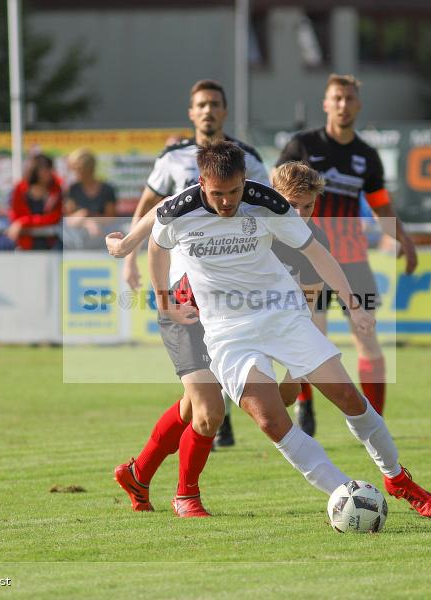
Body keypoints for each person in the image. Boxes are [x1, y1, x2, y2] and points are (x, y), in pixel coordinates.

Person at [149, 142, 431, 518]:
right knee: (272, 420)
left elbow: (318, 254)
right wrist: (162, 298)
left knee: (350, 399)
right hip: (226, 333)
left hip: (283, 316)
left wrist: (354, 306)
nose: (227, 202)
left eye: (235, 192)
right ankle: (346, 493)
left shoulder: (268, 203)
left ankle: (396, 478)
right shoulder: (180, 209)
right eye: (218, 194)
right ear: (202, 182)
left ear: (245, 180)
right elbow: (156, 242)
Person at [106, 161, 328, 517]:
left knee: (192, 406)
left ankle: (138, 473)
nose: (299, 214)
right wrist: (128, 243)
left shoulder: (308, 240)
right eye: (293, 204)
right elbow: (166, 211)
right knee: (210, 410)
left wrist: (295, 374)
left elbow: (307, 309)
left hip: (235, 322)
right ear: (270, 196)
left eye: (308, 206)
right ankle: (185, 496)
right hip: (189, 308)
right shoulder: (249, 210)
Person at [119, 79, 270, 454]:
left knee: (202, 391)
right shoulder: (173, 158)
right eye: (201, 104)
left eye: (214, 103)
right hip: (183, 280)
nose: (207, 110)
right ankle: (209, 434)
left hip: (233, 280)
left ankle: (144, 470)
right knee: (203, 389)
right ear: (191, 112)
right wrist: (130, 254)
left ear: (224, 111)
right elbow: (151, 207)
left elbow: (269, 210)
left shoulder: (248, 158)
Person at [276, 73, 419, 435]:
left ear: (358, 104)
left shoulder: (366, 156)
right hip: (306, 258)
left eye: (349, 98)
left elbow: (381, 205)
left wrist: (405, 239)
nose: (342, 104)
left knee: (368, 338)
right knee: (310, 335)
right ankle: (305, 406)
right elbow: (274, 195)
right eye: (336, 98)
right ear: (326, 103)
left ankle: (376, 422)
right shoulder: (301, 145)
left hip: (353, 261)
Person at [6, 154, 63, 250]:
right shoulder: (20, 189)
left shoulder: (56, 189)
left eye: (50, 168)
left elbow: (56, 217)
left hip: (51, 244)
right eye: (44, 169)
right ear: (34, 171)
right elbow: (15, 216)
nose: (48, 173)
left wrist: (24, 222)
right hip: (25, 244)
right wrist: (22, 222)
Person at [62, 148, 116, 249]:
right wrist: (88, 222)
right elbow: (69, 220)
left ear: (88, 169)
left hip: (103, 241)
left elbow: (111, 218)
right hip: (76, 243)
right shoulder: (72, 190)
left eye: (77, 169)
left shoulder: (107, 190)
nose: (73, 173)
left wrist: (87, 215)